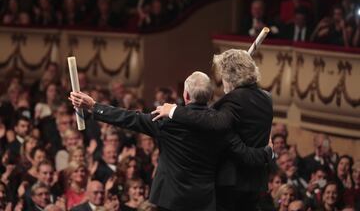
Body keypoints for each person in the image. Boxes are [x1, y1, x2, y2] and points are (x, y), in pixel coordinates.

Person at [70, 71, 272, 211]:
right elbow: (243, 153)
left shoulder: (168, 120)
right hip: (204, 201)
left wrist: (94, 106)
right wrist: (267, 152)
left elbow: (130, 118)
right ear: (210, 96)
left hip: (170, 198)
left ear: (185, 95)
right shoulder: (220, 125)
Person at [152, 49, 273, 211]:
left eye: (222, 76)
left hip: (231, 184)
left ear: (230, 77)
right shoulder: (266, 98)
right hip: (256, 182)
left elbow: (214, 122)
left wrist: (174, 110)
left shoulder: (234, 99)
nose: (222, 81)